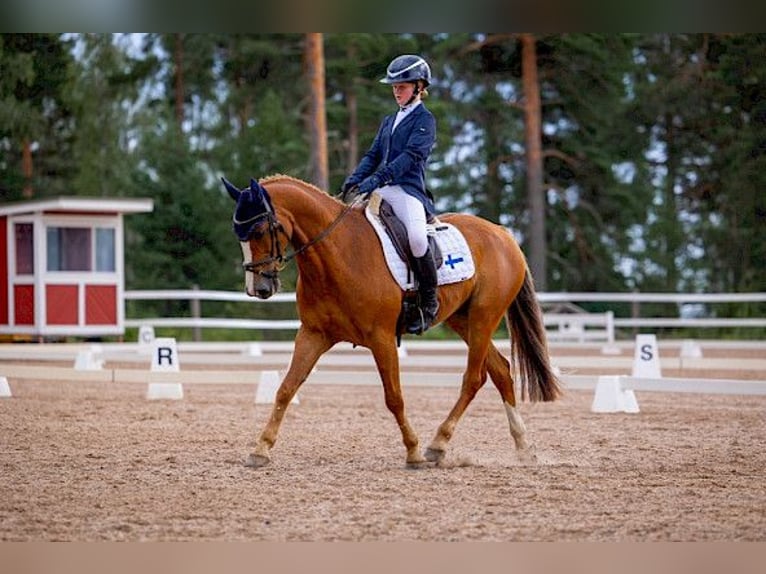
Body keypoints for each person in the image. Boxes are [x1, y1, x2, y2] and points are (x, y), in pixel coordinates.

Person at [341, 54, 439, 335]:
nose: (397, 91)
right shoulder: (390, 120)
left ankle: (427, 302)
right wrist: (355, 179)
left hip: (407, 190)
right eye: (394, 87)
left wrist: (377, 179)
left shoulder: (425, 120)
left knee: (418, 239)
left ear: (419, 87)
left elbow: (410, 157)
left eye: (403, 86)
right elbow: (374, 154)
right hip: (381, 189)